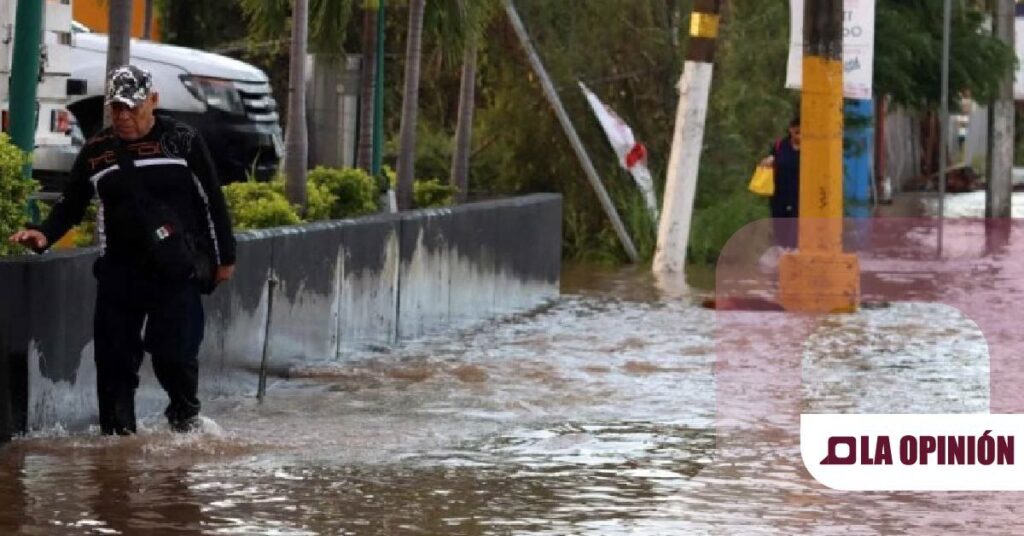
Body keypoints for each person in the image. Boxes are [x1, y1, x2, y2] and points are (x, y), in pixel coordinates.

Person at [7, 65, 236, 435]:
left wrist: (225, 257)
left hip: (175, 269)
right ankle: (117, 446)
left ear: (153, 102)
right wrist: (44, 234)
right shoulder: (98, 151)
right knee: (113, 363)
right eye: (117, 109)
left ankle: (185, 418)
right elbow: (71, 204)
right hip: (119, 272)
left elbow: (213, 200)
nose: (124, 116)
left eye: (132, 107)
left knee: (173, 355)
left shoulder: (182, 140)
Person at [760, 115, 801, 249]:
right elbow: (772, 157)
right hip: (779, 192)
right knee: (779, 221)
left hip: (799, 193)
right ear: (791, 130)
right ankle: (781, 250)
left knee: (796, 223)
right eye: (797, 132)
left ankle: (794, 250)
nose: (799, 136)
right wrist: (768, 162)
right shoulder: (780, 145)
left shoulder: (811, 148)